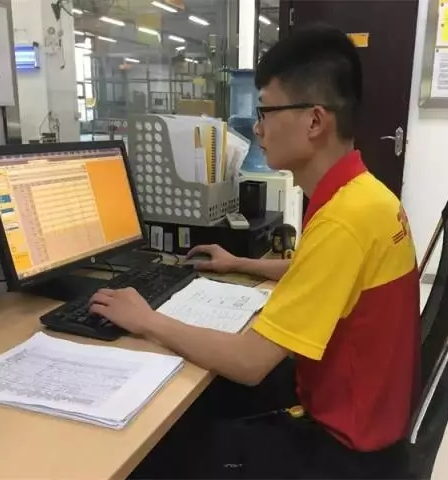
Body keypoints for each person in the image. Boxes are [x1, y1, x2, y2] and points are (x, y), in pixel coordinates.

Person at [89, 24, 420, 479]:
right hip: (364, 419)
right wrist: (239, 263)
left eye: (266, 111)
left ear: (315, 121)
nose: (258, 127)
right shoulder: (365, 196)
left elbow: (250, 362)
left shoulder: (344, 219)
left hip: (343, 454)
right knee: (197, 402)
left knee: (156, 453)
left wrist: (146, 319)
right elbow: (323, 273)